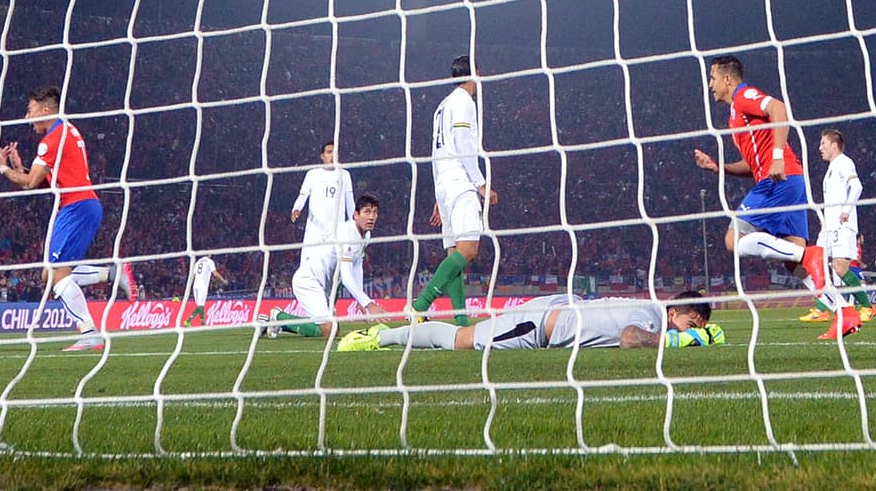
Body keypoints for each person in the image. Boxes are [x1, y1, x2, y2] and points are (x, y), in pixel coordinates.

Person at [693, 56, 860, 340]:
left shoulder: (744, 95)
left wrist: (779, 156)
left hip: (778, 181)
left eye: (712, 78)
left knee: (733, 240)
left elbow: (778, 108)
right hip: (788, 180)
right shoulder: (735, 116)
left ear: (728, 79)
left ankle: (810, 253)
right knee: (793, 264)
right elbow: (752, 164)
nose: (710, 85)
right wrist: (718, 167)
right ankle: (844, 311)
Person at [0, 85, 134, 351]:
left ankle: (89, 331)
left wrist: (3, 169)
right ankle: (112, 274)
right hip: (82, 204)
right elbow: (46, 180)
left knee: (58, 276)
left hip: (75, 207)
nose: (27, 118)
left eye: (30, 110)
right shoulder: (68, 130)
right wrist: (19, 167)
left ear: (45, 109)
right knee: (50, 274)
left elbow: (30, 183)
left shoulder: (51, 138)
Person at [410, 55, 498, 327]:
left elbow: (436, 152)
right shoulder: (463, 102)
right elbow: (462, 142)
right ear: (475, 73)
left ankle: (460, 318)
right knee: (469, 249)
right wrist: (480, 184)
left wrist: (439, 196)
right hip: (460, 181)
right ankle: (420, 304)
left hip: (445, 183)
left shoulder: (442, 105)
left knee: (455, 253)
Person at [339, 292, 724, 351]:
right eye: (693, 320)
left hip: (551, 314)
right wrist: (689, 341)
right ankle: (382, 336)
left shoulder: (652, 310)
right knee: (461, 339)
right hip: (537, 325)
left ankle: (387, 334)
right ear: (675, 312)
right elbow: (629, 338)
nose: (695, 327)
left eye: (700, 324)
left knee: (465, 334)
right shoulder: (652, 316)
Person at [261, 194, 387, 339]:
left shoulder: (366, 235)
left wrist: (359, 299)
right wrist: (368, 304)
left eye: (375, 212)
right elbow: (346, 277)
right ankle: (279, 317)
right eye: (367, 212)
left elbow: (357, 265)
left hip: (328, 285)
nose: (371, 216)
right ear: (355, 215)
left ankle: (280, 323)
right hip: (309, 280)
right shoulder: (347, 233)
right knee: (330, 330)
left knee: (329, 329)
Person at [799, 130, 874, 323]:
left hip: (842, 225)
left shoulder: (844, 162)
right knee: (816, 262)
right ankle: (822, 309)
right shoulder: (832, 167)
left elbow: (857, 186)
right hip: (829, 226)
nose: (820, 148)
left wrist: (846, 211)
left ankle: (867, 306)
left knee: (840, 268)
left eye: (823, 143)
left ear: (834, 145)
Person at [291, 141, 354, 277]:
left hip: (336, 232)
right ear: (322, 156)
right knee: (307, 268)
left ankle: (329, 297)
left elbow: (350, 202)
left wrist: (354, 223)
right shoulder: (312, 174)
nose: (332, 155)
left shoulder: (345, 175)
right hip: (315, 231)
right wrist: (296, 209)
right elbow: (303, 195)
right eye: (329, 152)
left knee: (332, 271)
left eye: (335, 153)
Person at [182, 256, 226, 327]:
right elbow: (215, 273)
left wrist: (189, 287)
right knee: (201, 305)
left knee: (199, 306)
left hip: (195, 285)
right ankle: (196, 322)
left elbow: (192, 276)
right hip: (202, 286)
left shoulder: (198, 262)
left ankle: (195, 322)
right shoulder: (209, 261)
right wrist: (223, 280)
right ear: (209, 254)